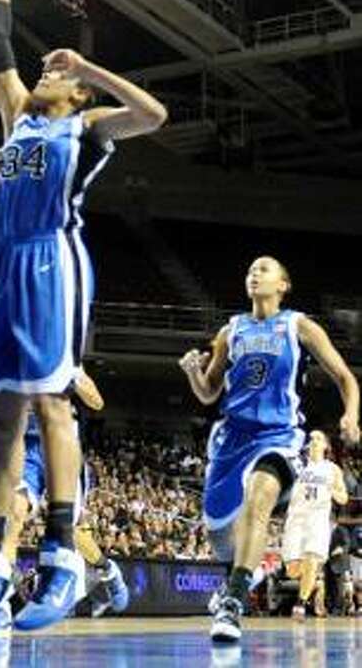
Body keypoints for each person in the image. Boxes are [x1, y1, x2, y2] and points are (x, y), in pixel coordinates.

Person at [0, 0, 167, 640]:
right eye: (45, 70)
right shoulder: (16, 117)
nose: (44, 73)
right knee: (4, 426)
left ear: (73, 94)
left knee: (52, 405)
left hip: (52, 259)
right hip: (1, 264)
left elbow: (154, 113)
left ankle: (63, 562)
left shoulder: (85, 128)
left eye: (56, 75)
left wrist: (88, 69)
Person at [179, 255, 360, 644]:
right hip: (231, 439)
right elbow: (210, 392)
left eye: (264, 268)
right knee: (218, 534)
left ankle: (233, 603)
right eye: (250, 270)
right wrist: (194, 372)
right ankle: (242, 573)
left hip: (278, 435)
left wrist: (351, 416)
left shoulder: (298, 325)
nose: (254, 273)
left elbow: (346, 377)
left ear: (283, 284)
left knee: (259, 498)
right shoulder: (231, 331)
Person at [0, 369, 129, 629]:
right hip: (27, 451)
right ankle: (0, 594)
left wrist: (72, 379)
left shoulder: (65, 360)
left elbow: (97, 401)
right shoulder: (19, 364)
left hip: (61, 447)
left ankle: (107, 570)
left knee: (71, 531)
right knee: (14, 515)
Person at [281, 430, 348, 619]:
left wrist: (334, 491)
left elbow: (343, 498)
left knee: (311, 559)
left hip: (317, 519)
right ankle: (315, 584)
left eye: (318, 438)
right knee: (293, 570)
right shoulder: (296, 465)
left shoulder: (332, 469)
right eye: (311, 439)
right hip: (295, 519)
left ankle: (300, 605)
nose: (313, 441)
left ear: (325, 445)